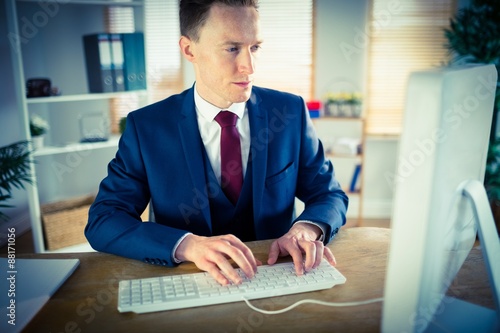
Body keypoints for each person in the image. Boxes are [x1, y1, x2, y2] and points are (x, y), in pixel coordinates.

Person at [85, 0, 348, 286]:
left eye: (255, 47)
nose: (249, 66)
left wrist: (306, 229)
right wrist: (186, 245)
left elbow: (329, 194)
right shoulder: (146, 127)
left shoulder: (290, 112)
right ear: (189, 49)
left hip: (280, 277)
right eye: (232, 48)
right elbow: (104, 220)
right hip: (185, 282)